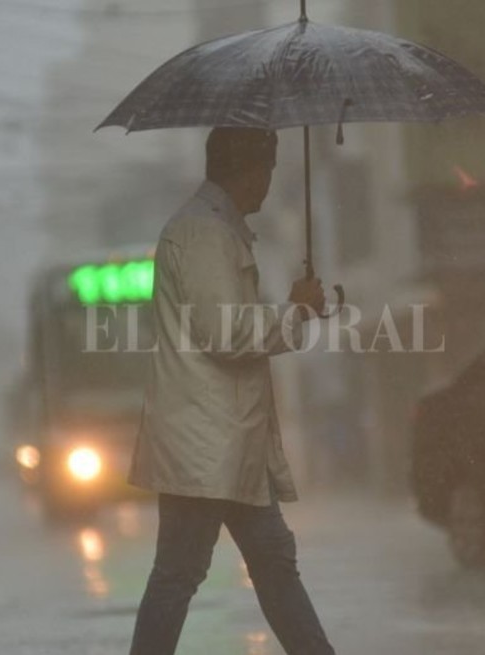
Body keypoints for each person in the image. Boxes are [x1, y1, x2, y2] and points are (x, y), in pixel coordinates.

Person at [127, 127, 334, 655]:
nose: (268, 181)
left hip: (229, 444)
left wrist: (295, 308)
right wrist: (298, 311)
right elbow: (227, 334)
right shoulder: (204, 234)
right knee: (180, 574)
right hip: (207, 444)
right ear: (250, 170)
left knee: (271, 564)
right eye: (267, 167)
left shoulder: (220, 230)